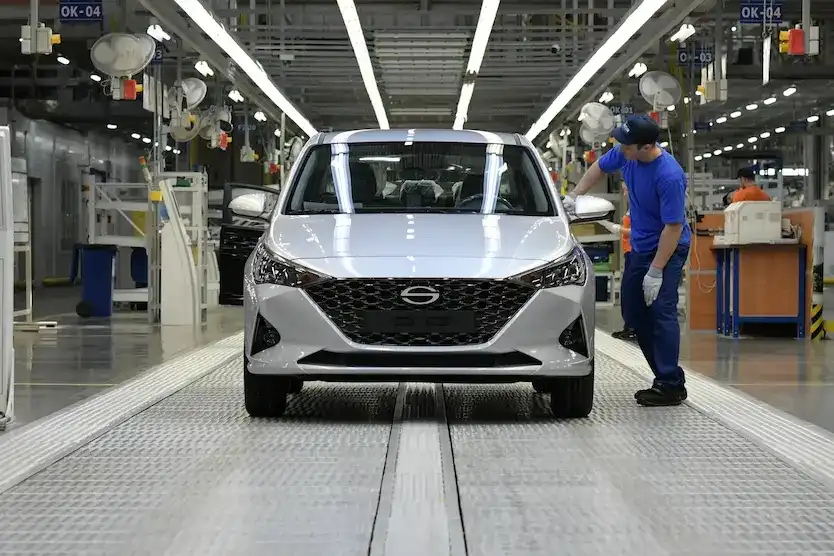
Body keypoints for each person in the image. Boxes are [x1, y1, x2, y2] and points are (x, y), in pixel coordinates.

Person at [564, 114, 691, 406]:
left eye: (627, 147)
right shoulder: (627, 153)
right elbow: (599, 165)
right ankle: (667, 377)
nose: (621, 150)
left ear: (646, 147)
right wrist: (575, 196)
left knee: (661, 310)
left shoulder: (669, 176)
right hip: (640, 246)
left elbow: (673, 228)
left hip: (668, 248)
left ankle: (670, 383)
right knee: (634, 313)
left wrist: (656, 270)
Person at [600, 185, 636, 341]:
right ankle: (629, 327)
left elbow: (640, 232)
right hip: (629, 252)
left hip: (636, 252)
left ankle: (633, 328)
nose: (625, 193)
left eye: (627, 189)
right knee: (627, 292)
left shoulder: (640, 208)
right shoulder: (632, 207)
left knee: (631, 292)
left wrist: (616, 228)